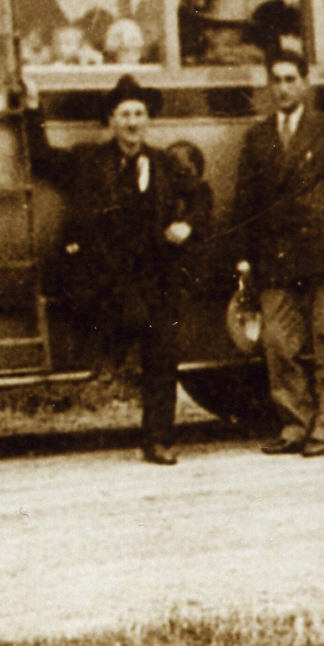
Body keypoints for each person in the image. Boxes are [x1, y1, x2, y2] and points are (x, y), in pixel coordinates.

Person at [50, 75, 198, 465]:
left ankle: (159, 441)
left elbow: (203, 197)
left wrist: (189, 225)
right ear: (111, 121)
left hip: (155, 276)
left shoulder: (165, 163)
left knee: (163, 351)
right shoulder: (88, 161)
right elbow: (41, 157)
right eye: (125, 115)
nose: (133, 122)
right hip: (108, 281)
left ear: (147, 121)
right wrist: (31, 107)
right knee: (131, 326)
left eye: (139, 114)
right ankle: (106, 366)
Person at [233, 52, 324, 457]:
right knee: (278, 344)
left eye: (291, 79)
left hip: (323, 249)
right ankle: (294, 423)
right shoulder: (256, 136)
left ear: (305, 83)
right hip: (275, 254)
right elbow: (245, 202)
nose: (283, 87)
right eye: (277, 79)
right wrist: (244, 258)